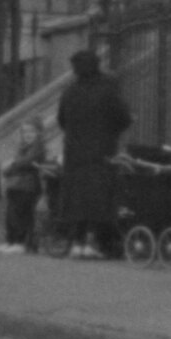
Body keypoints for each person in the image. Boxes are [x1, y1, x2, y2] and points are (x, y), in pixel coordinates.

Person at [55, 48, 135, 257]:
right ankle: (94, 241)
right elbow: (123, 117)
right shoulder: (108, 89)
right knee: (98, 199)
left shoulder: (70, 91)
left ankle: (77, 242)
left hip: (74, 152)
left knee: (77, 198)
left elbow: (61, 120)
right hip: (101, 150)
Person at [2, 138, 49, 254]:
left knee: (22, 215)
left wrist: (14, 163)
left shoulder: (38, 148)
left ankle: (20, 242)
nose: (27, 135)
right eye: (25, 131)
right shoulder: (22, 148)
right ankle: (12, 241)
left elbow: (26, 162)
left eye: (31, 131)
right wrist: (14, 164)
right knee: (12, 214)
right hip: (15, 185)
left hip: (28, 186)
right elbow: (9, 168)